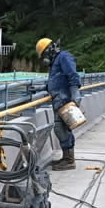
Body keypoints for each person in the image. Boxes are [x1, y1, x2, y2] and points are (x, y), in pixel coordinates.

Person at [37, 38, 82, 171]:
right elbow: (56, 80)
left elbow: (72, 75)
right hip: (59, 100)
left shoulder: (63, 57)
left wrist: (75, 94)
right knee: (61, 129)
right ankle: (66, 158)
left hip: (65, 100)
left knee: (61, 129)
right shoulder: (54, 62)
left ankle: (69, 160)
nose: (44, 59)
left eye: (43, 55)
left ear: (49, 50)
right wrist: (41, 88)